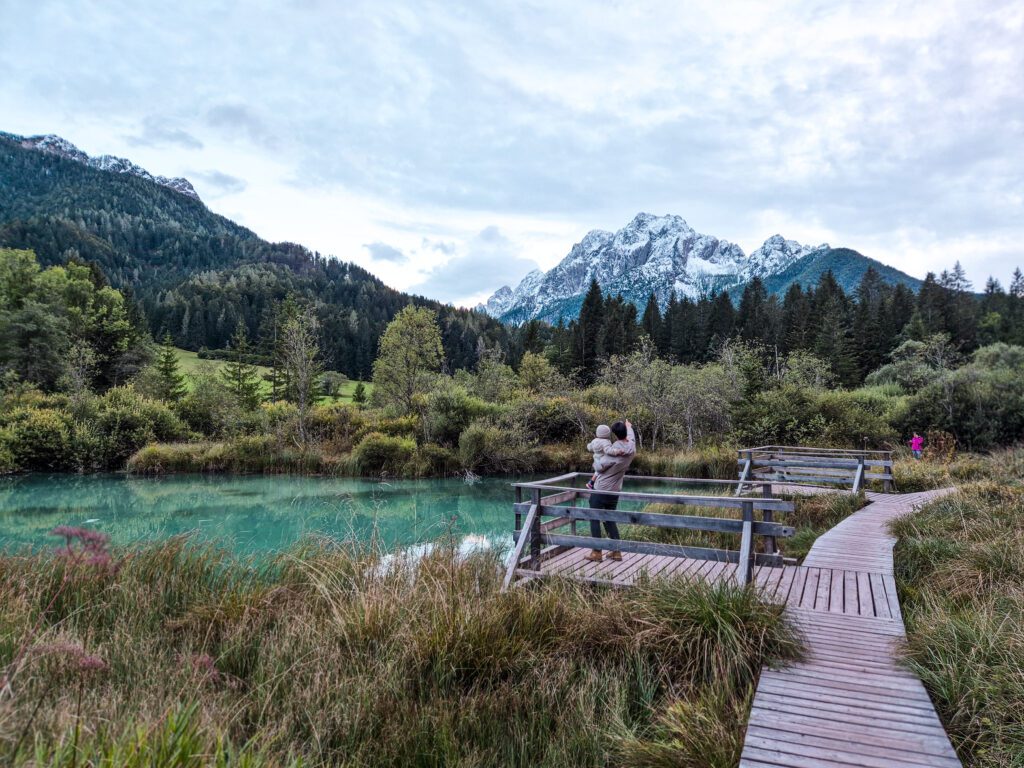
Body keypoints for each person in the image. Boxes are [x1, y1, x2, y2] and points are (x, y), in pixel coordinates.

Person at [584, 419, 636, 563]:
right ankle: (616, 551)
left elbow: (599, 467)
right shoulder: (631, 445)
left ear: (614, 434)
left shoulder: (613, 454)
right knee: (609, 518)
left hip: (601, 489)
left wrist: (595, 459)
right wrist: (629, 426)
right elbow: (631, 434)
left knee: (594, 517)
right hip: (615, 490)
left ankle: (596, 552)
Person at [584, 424, 613, 490]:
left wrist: (588, 445)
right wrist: (616, 451)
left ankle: (592, 483)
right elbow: (608, 450)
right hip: (602, 460)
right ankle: (591, 483)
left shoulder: (594, 441)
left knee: (597, 472)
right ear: (607, 434)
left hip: (596, 459)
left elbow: (590, 447)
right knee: (599, 472)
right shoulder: (606, 442)